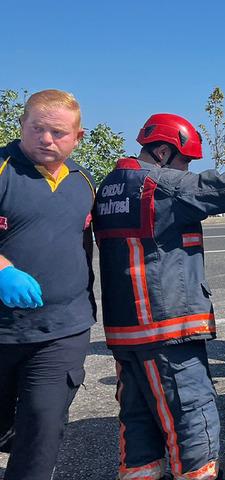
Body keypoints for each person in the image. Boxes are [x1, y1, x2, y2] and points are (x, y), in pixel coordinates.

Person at [93, 113, 225, 480]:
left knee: (139, 420)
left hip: (126, 331)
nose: (186, 169)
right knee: (192, 413)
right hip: (166, 328)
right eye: (184, 161)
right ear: (161, 151)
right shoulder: (161, 186)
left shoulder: (110, 186)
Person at [0, 89, 96, 479]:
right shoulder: (4, 168)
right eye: (37, 128)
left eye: (57, 132)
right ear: (21, 125)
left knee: (42, 428)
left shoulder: (83, 182)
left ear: (78, 136)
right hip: (3, 332)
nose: (46, 139)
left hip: (62, 330)